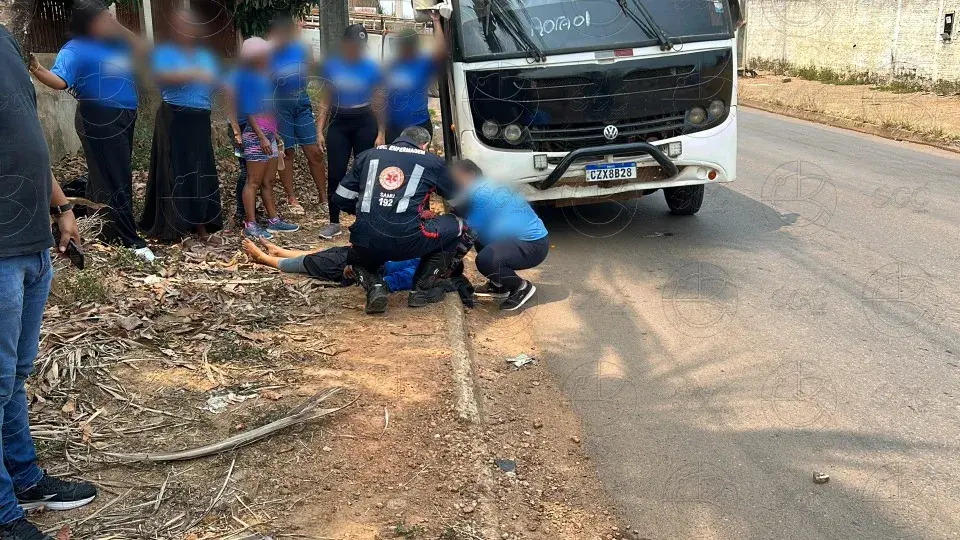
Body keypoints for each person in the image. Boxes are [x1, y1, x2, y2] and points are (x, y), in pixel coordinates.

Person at [0, 23, 99, 540]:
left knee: (14, 375)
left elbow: (28, 135)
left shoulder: (5, 41)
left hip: (33, 239)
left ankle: (22, 477)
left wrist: (61, 206)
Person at [29, 0, 154, 260]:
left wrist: (116, 24)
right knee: (115, 176)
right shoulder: (75, 48)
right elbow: (61, 81)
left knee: (110, 174)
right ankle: (128, 239)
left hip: (124, 115)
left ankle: (102, 224)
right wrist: (38, 69)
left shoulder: (115, 44)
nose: (109, 22)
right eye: (103, 19)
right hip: (98, 116)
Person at [331, 126, 462, 314]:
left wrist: (370, 214)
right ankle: (423, 289)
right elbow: (461, 203)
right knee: (457, 224)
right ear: (424, 145)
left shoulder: (368, 155)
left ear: (399, 139)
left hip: (366, 241)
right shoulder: (432, 162)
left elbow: (340, 199)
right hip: (408, 242)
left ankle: (375, 286)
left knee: (357, 255)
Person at [139, 8, 222, 241]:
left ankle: (201, 225)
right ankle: (176, 227)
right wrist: (191, 73)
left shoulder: (205, 55)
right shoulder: (165, 53)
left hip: (199, 117)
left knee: (200, 171)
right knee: (176, 171)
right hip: (175, 116)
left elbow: (215, 82)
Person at [316, 24, 385, 240]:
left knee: (365, 173)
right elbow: (325, 100)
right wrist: (319, 130)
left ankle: (363, 221)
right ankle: (333, 221)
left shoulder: (372, 68)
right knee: (336, 172)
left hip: (365, 122)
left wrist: (381, 133)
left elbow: (379, 101)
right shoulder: (332, 67)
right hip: (339, 122)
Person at [450, 160, 548, 311]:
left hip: (532, 245)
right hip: (526, 241)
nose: (454, 182)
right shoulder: (483, 186)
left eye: (457, 177)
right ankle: (499, 285)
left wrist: (450, 263)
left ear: (470, 175)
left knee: (485, 261)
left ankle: (521, 287)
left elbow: (468, 233)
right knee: (481, 241)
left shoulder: (481, 193)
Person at [232, 37, 300, 240]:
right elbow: (250, 111)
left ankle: (273, 221)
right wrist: (261, 136)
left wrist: (273, 134)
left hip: (268, 135)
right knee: (253, 181)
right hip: (256, 136)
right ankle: (250, 224)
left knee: (268, 182)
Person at [268, 16, 326, 215]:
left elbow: (308, 72)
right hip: (280, 104)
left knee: (314, 151)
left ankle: (323, 197)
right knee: (288, 152)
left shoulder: (302, 48)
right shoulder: (269, 52)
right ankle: (291, 197)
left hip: (301, 101)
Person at [242, 239, 418, 292]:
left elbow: (395, 280)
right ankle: (281, 251)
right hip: (371, 253)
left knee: (313, 263)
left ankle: (265, 258)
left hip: (371, 267)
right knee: (329, 252)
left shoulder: (427, 267)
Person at [384, 13, 446, 142]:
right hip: (393, 127)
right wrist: (380, 131)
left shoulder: (423, 63)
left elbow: (441, 52)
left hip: (419, 126)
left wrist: (436, 21)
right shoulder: (391, 66)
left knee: (416, 162)